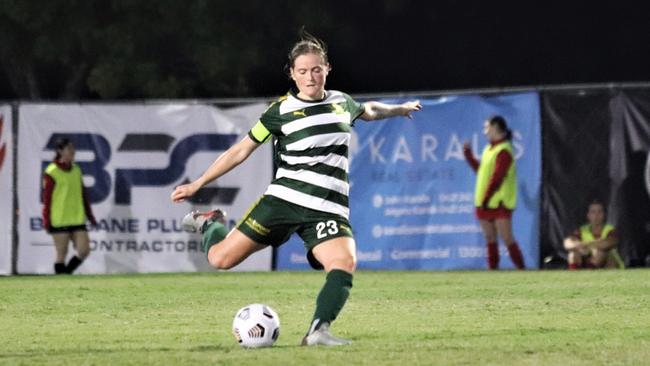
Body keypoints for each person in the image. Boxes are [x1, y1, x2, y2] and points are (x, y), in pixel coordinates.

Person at [171, 33, 421, 346]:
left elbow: (368, 110)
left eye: (316, 69)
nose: (310, 77)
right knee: (220, 260)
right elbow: (240, 151)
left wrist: (398, 110)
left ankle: (318, 331)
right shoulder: (280, 112)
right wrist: (199, 183)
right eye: (302, 71)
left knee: (344, 263)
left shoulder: (342, 102)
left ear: (327, 68)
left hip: (328, 208)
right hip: (283, 202)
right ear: (292, 73)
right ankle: (211, 223)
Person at [463, 116, 525, 270]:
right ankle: (493, 270)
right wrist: (468, 155)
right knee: (490, 238)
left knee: (507, 238)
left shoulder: (504, 150)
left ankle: (522, 269)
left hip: (499, 202)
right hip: (484, 202)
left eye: (487, 128)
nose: (485, 132)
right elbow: (482, 172)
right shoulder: (488, 149)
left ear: (496, 128)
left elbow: (497, 177)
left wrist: (486, 198)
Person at [42, 137, 97, 274]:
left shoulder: (76, 170)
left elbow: (83, 195)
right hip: (60, 219)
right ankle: (62, 282)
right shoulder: (51, 171)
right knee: (62, 254)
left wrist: (90, 216)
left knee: (84, 250)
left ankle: (66, 274)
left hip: (77, 217)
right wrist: (46, 220)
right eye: (69, 149)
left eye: (73, 148)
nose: (73, 151)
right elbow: (47, 199)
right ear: (60, 151)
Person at [563, 200, 624, 269]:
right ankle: (575, 276)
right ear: (588, 215)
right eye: (593, 212)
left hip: (608, 266)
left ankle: (591, 273)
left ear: (604, 215)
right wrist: (579, 246)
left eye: (599, 212)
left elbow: (608, 243)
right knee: (573, 254)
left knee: (600, 252)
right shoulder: (582, 230)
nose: (596, 215)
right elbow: (567, 243)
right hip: (588, 260)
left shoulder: (610, 230)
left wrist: (586, 246)